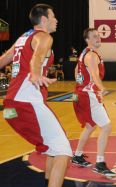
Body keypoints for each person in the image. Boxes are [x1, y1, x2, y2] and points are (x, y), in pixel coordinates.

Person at [0, 4, 72, 187]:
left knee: (52, 147)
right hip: (27, 104)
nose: (57, 20)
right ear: (45, 19)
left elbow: (4, 59)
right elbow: (37, 57)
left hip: (9, 109)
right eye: (54, 16)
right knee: (63, 150)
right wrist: (35, 73)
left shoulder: (23, 38)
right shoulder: (44, 37)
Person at [72, 28, 116, 178]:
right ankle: (100, 163)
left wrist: (81, 84)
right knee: (106, 127)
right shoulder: (91, 55)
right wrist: (102, 88)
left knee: (90, 126)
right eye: (94, 37)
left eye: (99, 36)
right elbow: (95, 76)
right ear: (87, 40)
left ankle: (77, 155)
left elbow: (76, 70)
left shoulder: (84, 53)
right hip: (89, 95)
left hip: (81, 93)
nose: (98, 38)